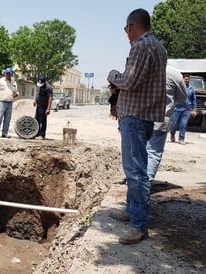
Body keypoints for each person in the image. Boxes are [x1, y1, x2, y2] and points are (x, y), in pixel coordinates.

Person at [106, 8, 167, 244]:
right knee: (136, 169)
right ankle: (132, 211)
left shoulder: (141, 46)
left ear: (131, 26)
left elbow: (129, 80)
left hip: (135, 116)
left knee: (136, 172)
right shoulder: (158, 46)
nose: (126, 33)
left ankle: (139, 225)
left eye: (126, 28)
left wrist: (113, 75)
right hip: (144, 115)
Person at [146, 65, 187, 183]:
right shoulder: (174, 73)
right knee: (153, 153)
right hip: (160, 120)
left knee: (138, 152)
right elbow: (182, 98)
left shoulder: (142, 69)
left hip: (139, 118)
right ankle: (145, 186)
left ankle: (136, 183)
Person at [169, 74, 197, 145]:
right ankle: (172, 134)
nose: (187, 80)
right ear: (183, 79)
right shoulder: (178, 87)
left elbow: (194, 99)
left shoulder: (191, 89)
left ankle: (181, 139)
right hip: (177, 108)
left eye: (188, 79)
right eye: (185, 79)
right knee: (174, 124)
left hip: (187, 109)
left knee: (183, 124)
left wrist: (194, 109)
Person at [0, 67, 19, 138]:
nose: (8, 75)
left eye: (9, 74)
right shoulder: (0, 81)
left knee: (7, 119)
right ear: (4, 73)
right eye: (6, 74)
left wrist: (16, 94)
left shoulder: (14, 82)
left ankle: (5, 133)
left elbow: (16, 91)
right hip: (2, 102)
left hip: (10, 102)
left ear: (11, 74)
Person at [33, 75, 53, 140]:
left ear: (45, 82)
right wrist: (35, 100)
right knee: (36, 120)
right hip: (38, 105)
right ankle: (37, 133)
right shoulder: (39, 85)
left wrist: (48, 108)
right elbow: (37, 93)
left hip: (44, 106)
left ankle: (42, 135)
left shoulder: (48, 87)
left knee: (43, 120)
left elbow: (50, 98)